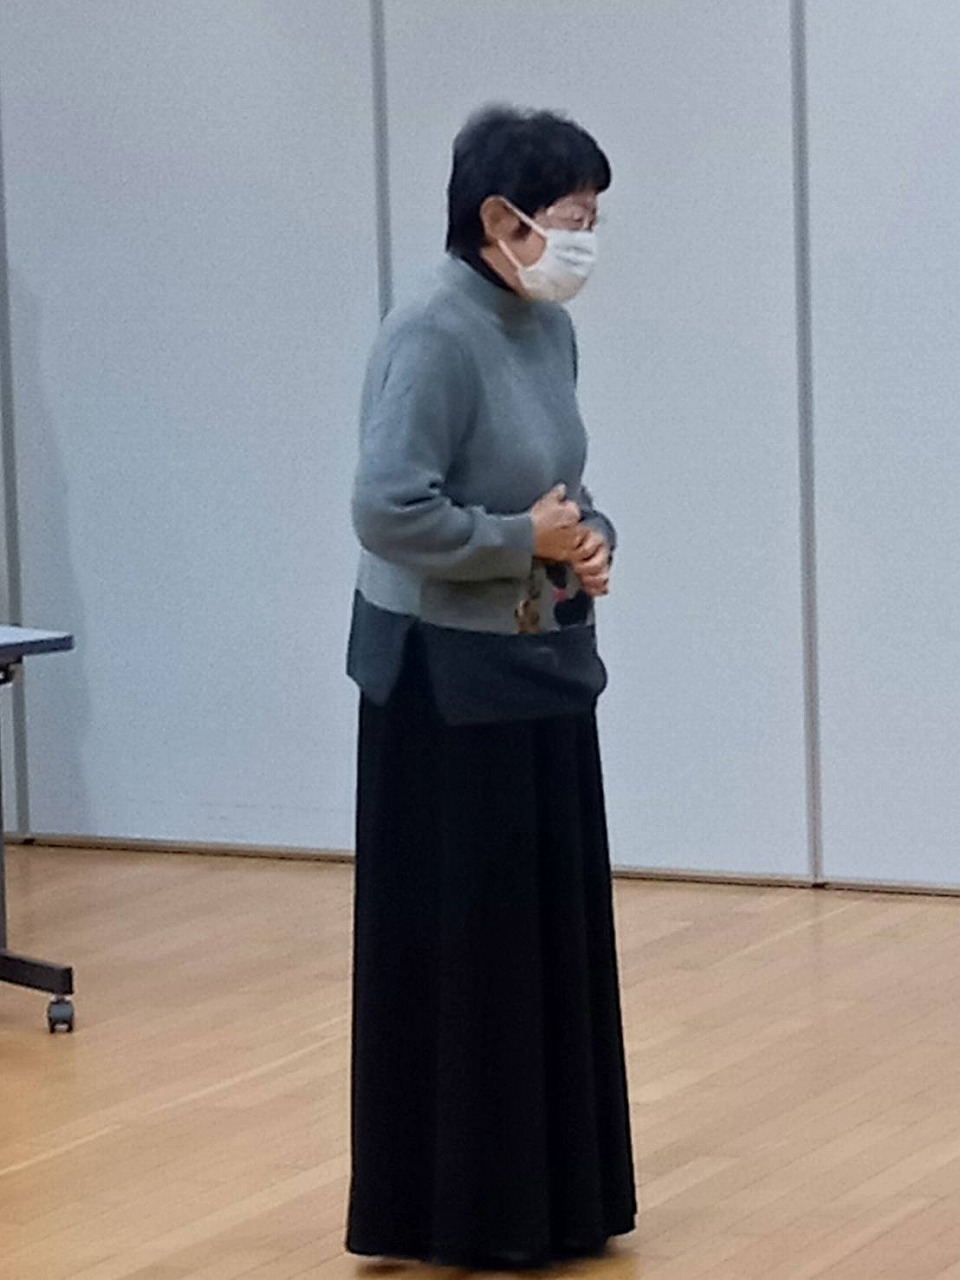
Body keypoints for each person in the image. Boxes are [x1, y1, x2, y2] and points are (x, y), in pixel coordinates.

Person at [345, 104, 636, 1269]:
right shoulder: (430, 330)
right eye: (573, 216)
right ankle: (461, 1211)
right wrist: (526, 540)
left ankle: (559, 1196)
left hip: (538, 659)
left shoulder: (546, 327)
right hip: (443, 689)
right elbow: (387, 508)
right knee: (471, 958)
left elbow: (561, 484)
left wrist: (589, 538)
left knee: (547, 941)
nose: (586, 238)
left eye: (595, 216)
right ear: (501, 218)